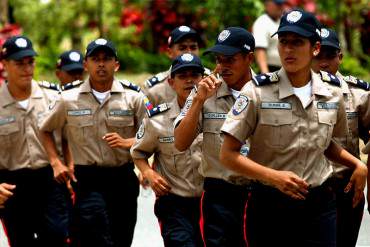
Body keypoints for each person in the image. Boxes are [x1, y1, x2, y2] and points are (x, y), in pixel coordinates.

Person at [219, 9, 368, 247]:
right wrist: (273, 177)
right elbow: (227, 155)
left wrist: (356, 164)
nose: (288, 49)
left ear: (315, 48)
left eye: (297, 42)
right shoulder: (257, 92)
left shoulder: (332, 94)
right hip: (269, 206)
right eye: (284, 42)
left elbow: (326, 143)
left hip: (318, 206)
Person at [40, 38, 146, 247]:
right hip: (88, 180)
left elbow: (150, 136)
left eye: (106, 59)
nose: (101, 64)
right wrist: (55, 162)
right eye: (95, 59)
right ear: (86, 64)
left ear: (116, 65)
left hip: (122, 178)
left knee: (121, 238)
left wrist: (127, 142)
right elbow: (45, 129)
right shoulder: (68, 98)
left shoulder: (134, 98)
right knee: (95, 234)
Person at [174, 27, 255, 247]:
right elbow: (180, 142)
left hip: (260, 194)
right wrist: (199, 101)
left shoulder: (268, 92)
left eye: (230, 59)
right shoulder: (204, 92)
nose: (222, 66)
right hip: (219, 195)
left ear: (249, 58)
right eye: (219, 59)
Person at [131, 53, 205, 247]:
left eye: (195, 75)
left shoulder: (217, 114)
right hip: (174, 204)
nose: (189, 80)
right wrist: (148, 172)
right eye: (182, 75)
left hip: (210, 202)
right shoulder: (157, 119)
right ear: (171, 82)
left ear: (203, 79)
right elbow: (138, 152)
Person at [0, 35, 64, 247]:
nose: (27, 69)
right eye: (19, 63)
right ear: (4, 65)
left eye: (30, 62)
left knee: (56, 236)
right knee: (20, 241)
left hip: (48, 180)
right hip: (11, 186)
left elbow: (70, 137)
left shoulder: (53, 97)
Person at [312, 28, 370, 247]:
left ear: (340, 57)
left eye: (330, 56)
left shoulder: (359, 94)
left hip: (346, 188)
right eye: (318, 56)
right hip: (307, 189)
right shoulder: (293, 92)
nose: (323, 63)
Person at [143, 25, 210, 105]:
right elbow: (145, 115)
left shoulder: (211, 81)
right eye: (182, 48)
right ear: (169, 52)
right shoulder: (152, 88)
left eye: (193, 47)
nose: (189, 52)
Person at [252, 0, 285, 73]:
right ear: (267, 4)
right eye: (277, 4)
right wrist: (266, 74)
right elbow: (259, 50)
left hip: (284, 70)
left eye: (281, 4)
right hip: (270, 69)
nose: (280, 7)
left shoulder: (282, 21)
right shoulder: (262, 22)